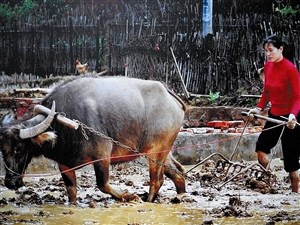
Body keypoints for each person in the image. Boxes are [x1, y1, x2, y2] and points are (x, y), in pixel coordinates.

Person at [248, 34, 300, 193]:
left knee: (291, 159)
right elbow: (267, 92)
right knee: (261, 149)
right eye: (266, 51)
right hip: (274, 114)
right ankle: (270, 179)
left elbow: (298, 97)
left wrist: (293, 115)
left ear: (281, 49)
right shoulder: (268, 66)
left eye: (271, 50)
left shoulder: (290, 69)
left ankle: (295, 193)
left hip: (291, 118)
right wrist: (258, 108)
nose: (268, 54)